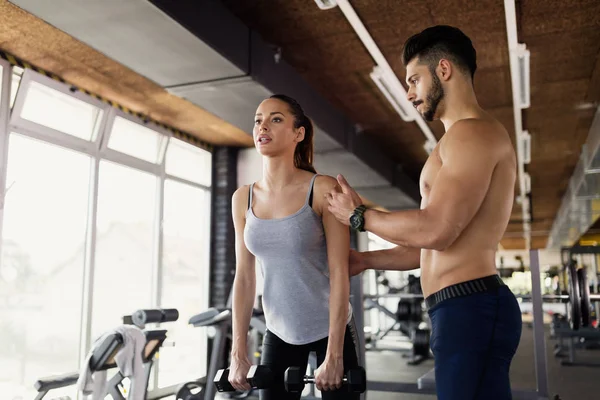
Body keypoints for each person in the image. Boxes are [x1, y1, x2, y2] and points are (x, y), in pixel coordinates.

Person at [326, 25, 522, 400]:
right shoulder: (453, 143)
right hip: (457, 308)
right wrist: (363, 260)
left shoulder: (473, 134)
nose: (409, 92)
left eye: (415, 79)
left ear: (443, 70)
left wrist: (359, 216)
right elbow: (426, 249)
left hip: (470, 306)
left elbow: (436, 230)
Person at [227, 94, 361, 400]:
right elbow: (245, 278)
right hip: (279, 329)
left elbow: (340, 273)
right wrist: (238, 352)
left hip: (330, 328)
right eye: (258, 120)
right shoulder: (242, 198)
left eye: (276, 119)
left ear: (298, 134)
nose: (263, 126)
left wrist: (335, 355)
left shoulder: (322, 189)